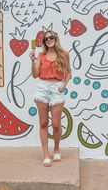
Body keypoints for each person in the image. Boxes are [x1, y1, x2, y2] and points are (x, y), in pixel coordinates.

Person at [29, 30, 71, 167]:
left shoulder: (64, 54)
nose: (49, 40)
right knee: (43, 122)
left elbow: (68, 72)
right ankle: (46, 155)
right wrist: (33, 61)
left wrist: (64, 85)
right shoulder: (41, 55)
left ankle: (57, 149)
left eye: (51, 37)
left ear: (56, 38)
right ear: (44, 42)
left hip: (56, 88)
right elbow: (35, 75)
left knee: (56, 124)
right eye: (46, 39)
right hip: (42, 88)